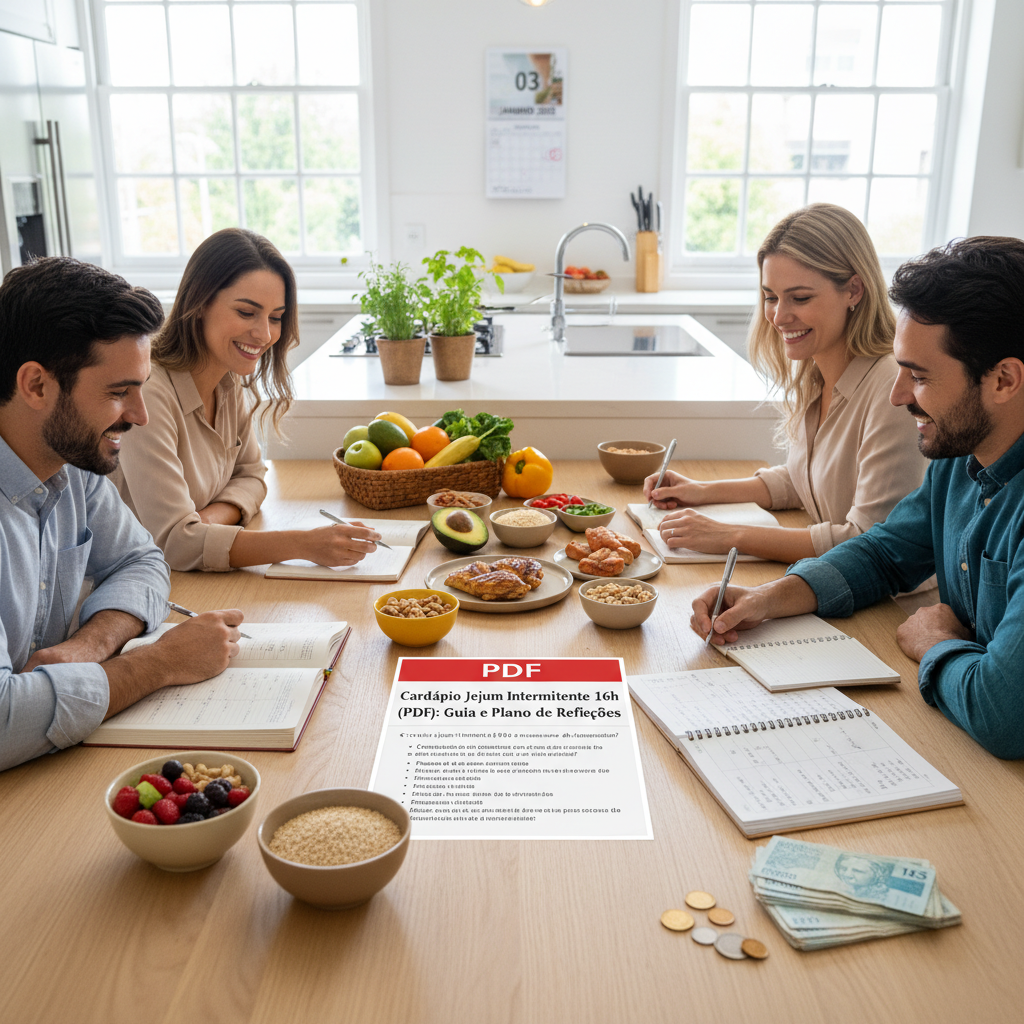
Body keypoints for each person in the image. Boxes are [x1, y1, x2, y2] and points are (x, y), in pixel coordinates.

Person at [690, 236, 1024, 760]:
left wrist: (935, 643)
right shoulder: (962, 459)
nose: (898, 396)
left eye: (918, 377)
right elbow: (883, 552)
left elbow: (1004, 714)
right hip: (961, 742)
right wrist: (770, 599)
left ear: (1004, 379)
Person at [0, 257, 243, 772]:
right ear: (37, 386)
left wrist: (93, 643)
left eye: (141, 387)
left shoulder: (74, 465)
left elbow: (141, 560)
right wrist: (158, 664)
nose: (140, 416)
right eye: (118, 393)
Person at [644, 204, 926, 563]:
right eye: (771, 297)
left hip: (890, 609)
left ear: (854, 290)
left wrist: (730, 536)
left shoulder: (892, 386)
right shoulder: (818, 372)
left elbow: (867, 539)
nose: (779, 316)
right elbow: (803, 481)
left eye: (800, 298)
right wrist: (700, 491)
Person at [111, 228, 380, 571]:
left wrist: (208, 521)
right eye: (246, 312)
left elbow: (253, 475)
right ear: (200, 303)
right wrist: (303, 544)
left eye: (275, 317)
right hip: (135, 584)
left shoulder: (227, 379)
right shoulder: (148, 393)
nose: (265, 334)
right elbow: (176, 546)